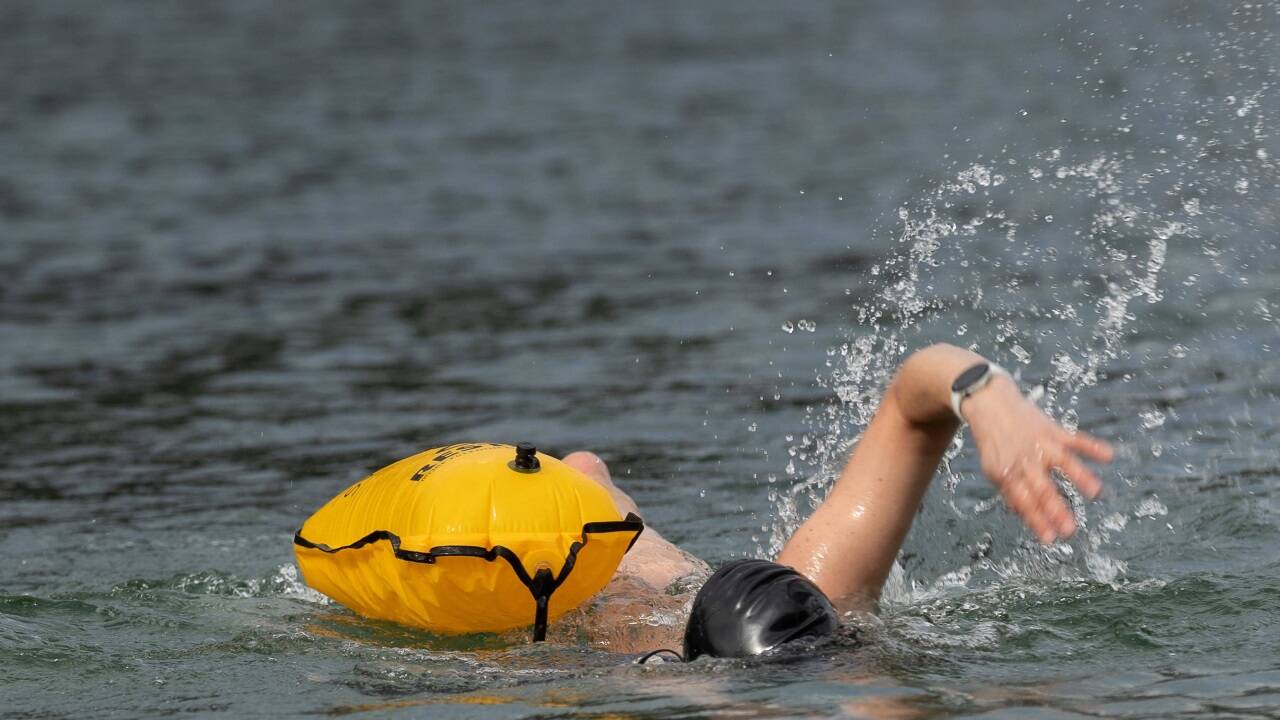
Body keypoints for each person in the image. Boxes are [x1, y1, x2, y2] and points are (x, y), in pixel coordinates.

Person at [554, 343, 1114, 657]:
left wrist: (986, 399)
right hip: (623, 582)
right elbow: (914, 401)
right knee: (589, 489)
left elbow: (912, 399)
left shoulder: (816, 600)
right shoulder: (619, 639)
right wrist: (987, 398)